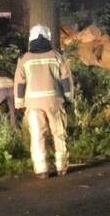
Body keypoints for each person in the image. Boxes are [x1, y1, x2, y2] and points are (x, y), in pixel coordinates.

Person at [14, 25, 75, 179]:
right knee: (58, 133)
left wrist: (19, 104)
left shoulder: (24, 59)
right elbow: (66, 81)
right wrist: (68, 98)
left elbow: (20, 84)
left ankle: (41, 170)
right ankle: (61, 167)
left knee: (37, 135)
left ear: (31, 39)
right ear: (48, 38)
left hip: (33, 104)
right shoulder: (57, 56)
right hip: (54, 101)